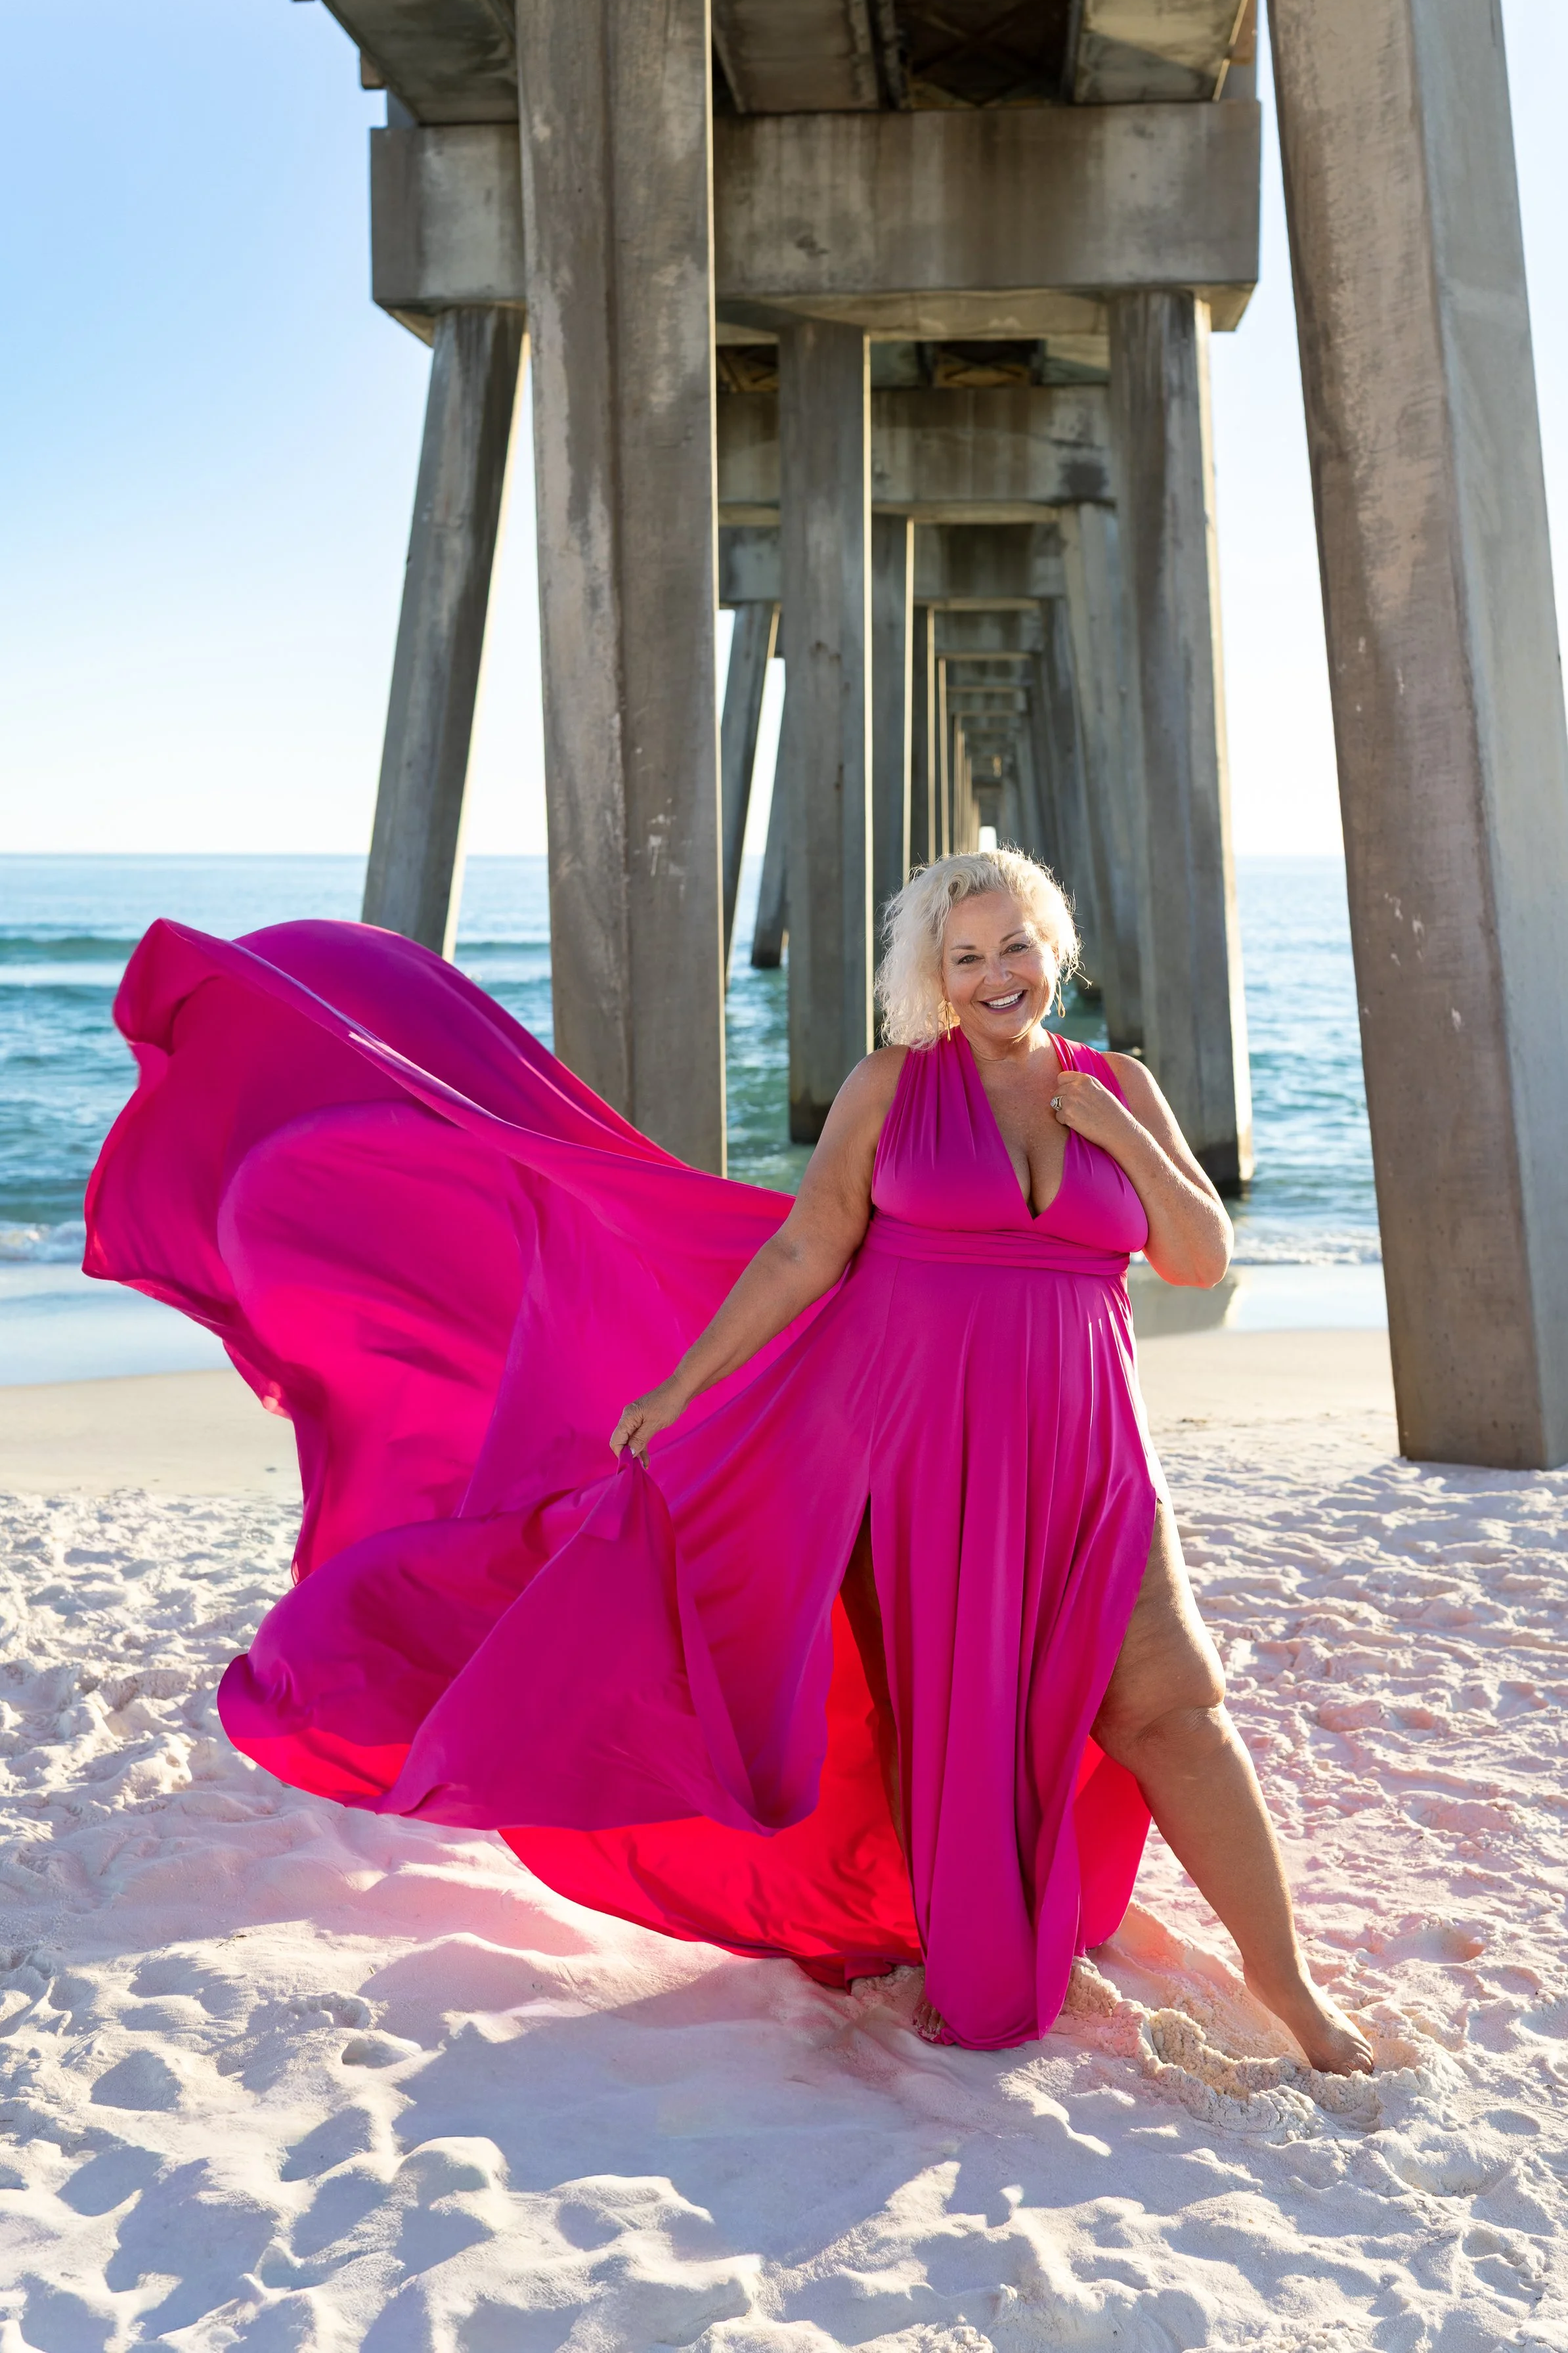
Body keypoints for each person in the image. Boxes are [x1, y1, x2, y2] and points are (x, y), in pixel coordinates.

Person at [84, 848, 1368, 2072]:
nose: (994, 974)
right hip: (911, 1454)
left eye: (1014, 946)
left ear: (1054, 950)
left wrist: (1122, 1133)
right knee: (945, 1722)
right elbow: (804, 1254)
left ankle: (1287, 1990)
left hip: (1090, 1456)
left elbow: (1196, 1257)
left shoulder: (1115, 1088)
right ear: (930, 975)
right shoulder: (888, 1091)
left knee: (1170, 1706)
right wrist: (680, 1386)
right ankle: (954, 1948)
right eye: (963, 953)